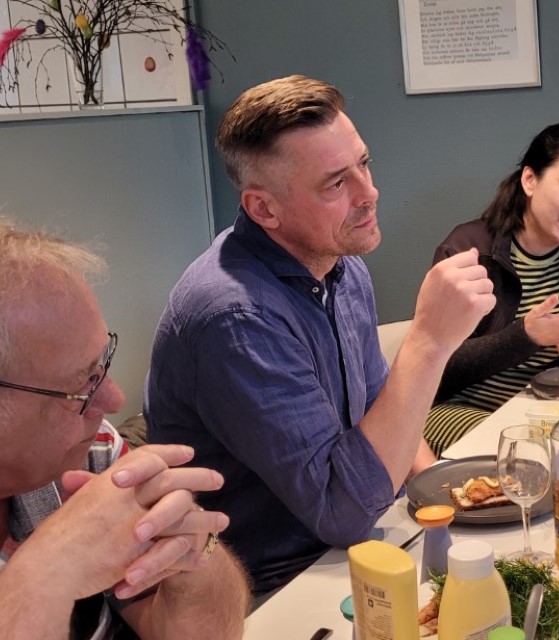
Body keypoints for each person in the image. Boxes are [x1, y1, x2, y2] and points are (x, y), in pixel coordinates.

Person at [145, 75, 496, 596]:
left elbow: (378, 402)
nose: (369, 193)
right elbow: (340, 512)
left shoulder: (341, 265)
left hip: (356, 541)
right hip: (265, 586)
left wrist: (445, 496)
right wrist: (429, 341)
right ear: (264, 209)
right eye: (335, 184)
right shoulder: (236, 316)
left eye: (364, 164)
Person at [0, 221, 249, 639]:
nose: (114, 399)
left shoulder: (91, 451)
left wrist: (191, 547)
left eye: (102, 363)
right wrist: (46, 571)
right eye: (81, 385)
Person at [424, 123, 559, 454]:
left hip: (543, 410)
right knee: (533, 453)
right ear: (530, 180)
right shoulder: (469, 252)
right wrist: (527, 335)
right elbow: (434, 367)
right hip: (459, 408)